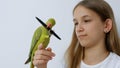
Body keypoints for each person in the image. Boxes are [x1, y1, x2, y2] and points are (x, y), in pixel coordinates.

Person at [32, 0, 120, 68]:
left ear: (107, 25)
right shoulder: (68, 62)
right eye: (76, 23)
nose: (78, 29)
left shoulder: (116, 64)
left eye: (86, 21)